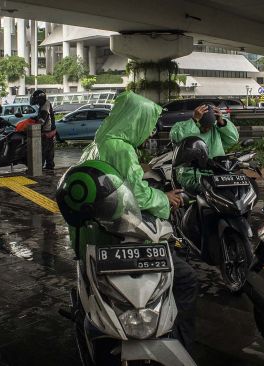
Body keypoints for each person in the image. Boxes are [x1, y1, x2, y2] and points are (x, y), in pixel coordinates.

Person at [79, 90, 198, 352]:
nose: (150, 131)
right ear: (136, 121)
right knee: (187, 279)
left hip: (98, 233)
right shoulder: (120, 148)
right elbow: (136, 195)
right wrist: (165, 198)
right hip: (125, 232)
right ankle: (180, 341)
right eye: (149, 124)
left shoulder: (99, 141)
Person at [170, 104, 239, 193]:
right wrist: (194, 120)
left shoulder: (216, 129)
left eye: (209, 126)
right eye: (204, 125)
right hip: (191, 174)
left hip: (218, 173)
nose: (206, 129)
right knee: (208, 188)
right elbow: (179, 137)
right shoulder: (182, 126)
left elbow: (233, 139)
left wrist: (222, 122)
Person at [30, 90, 56, 170]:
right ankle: (50, 166)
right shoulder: (46, 103)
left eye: (37, 100)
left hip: (47, 131)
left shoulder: (44, 107)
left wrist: (34, 126)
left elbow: (42, 121)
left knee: (42, 150)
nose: (36, 102)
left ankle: (39, 168)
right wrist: (35, 118)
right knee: (49, 150)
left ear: (40, 99)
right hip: (50, 130)